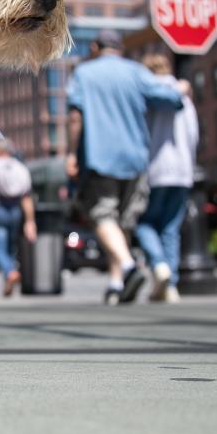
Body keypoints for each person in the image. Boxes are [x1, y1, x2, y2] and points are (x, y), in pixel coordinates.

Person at [65, 29, 188, 305]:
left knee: (102, 216)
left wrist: (71, 154)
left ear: (96, 46)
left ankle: (129, 268)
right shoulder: (136, 71)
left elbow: (75, 116)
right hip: (135, 158)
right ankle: (116, 283)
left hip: (100, 156)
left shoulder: (84, 73)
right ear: (120, 48)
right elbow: (171, 98)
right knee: (125, 222)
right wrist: (182, 87)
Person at [136, 54, 199, 303]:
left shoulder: (148, 95)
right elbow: (194, 135)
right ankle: (170, 284)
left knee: (144, 223)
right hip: (183, 170)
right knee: (171, 228)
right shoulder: (183, 95)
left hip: (155, 169)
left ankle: (160, 265)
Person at [0, 139, 37, 296]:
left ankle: (10, 273)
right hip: (16, 209)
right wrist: (30, 221)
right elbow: (26, 197)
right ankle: (7, 285)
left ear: (0, 151)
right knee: (10, 249)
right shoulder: (21, 168)